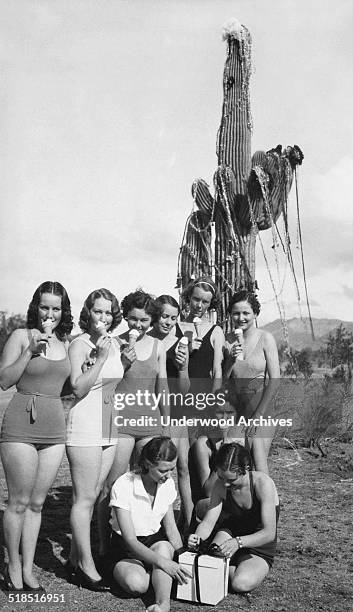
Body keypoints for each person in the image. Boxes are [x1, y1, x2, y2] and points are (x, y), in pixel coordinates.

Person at [0, 281, 73, 591]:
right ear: (36, 307)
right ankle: (12, 567)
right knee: (17, 502)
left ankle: (29, 568)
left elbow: (70, 388)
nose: (50, 313)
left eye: (56, 308)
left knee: (37, 504)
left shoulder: (66, 343)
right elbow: (4, 380)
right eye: (45, 306)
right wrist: (29, 351)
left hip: (54, 427)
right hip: (20, 423)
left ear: (63, 311)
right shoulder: (21, 336)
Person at [98, 290, 170, 556]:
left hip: (150, 422)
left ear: (151, 321)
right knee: (112, 485)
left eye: (143, 320)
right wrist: (123, 364)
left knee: (148, 484)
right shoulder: (113, 343)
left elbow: (162, 389)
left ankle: (142, 542)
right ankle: (105, 547)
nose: (137, 325)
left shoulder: (158, 346)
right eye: (132, 319)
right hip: (121, 422)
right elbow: (104, 386)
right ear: (124, 317)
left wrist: (166, 426)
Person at [65, 288, 124, 590]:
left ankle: (75, 558)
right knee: (84, 499)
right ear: (87, 312)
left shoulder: (113, 343)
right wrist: (99, 359)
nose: (102, 317)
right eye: (97, 311)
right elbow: (76, 389)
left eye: (108, 312)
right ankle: (87, 569)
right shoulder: (79, 345)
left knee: (95, 493)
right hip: (85, 425)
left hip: (109, 426)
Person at [108, 437, 191, 612]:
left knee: (162, 549)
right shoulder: (123, 485)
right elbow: (130, 540)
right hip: (127, 548)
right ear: (147, 464)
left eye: (172, 469)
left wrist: (185, 557)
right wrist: (164, 563)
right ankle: (158, 577)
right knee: (137, 585)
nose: (168, 475)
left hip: (155, 542)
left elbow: (170, 528)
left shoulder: (167, 484)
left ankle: (163, 605)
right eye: (163, 470)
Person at [188, 442, 279, 594]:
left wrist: (238, 543)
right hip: (231, 533)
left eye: (232, 480)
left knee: (240, 584)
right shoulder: (220, 485)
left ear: (246, 469)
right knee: (209, 563)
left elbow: (269, 533)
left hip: (258, 543)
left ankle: (233, 567)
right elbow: (208, 522)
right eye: (222, 477)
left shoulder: (263, 484)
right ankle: (230, 565)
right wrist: (197, 538)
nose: (225, 483)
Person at [223, 291, 280, 474]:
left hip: (261, 411)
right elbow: (222, 381)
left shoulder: (266, 339)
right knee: (235, 465)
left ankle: (270, 503)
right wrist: (230, 361)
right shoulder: (227, 340)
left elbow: (275, 379)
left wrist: (258, 415)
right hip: (237, 413)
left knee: (259, 467)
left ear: (255, 314)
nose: (241, 318)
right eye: (236, 313)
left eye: (246, 313)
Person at [149, 295, 193, 530]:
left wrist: (183, 367)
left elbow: (186, 388)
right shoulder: (147, 341)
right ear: (155, 315)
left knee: (183, 468)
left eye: (173, 318)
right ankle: (157, 523)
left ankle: (189, 522)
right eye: (164, 316)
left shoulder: (181, 342)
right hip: (152, 409)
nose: (168, 321)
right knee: (159, 468)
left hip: (177, 408)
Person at [179, 277, 224, 395]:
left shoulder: (216, 331)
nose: (199, 305)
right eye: (196, 299)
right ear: (189, 297)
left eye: (205, 302)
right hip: (177, 395)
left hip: (204, 397)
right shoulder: (175, 327)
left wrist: (214, 401)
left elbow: (217, 371)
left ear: (211, 303)